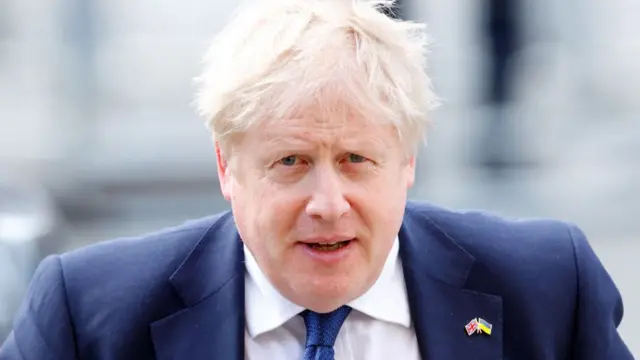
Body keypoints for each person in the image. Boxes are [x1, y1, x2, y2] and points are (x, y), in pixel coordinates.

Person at [0, 0, 633, 359]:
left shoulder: (548, 288)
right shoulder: (90, 315)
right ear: (227, 167)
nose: (328, 205)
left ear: (408, 161)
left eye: (358, 159)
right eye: (291, 163)